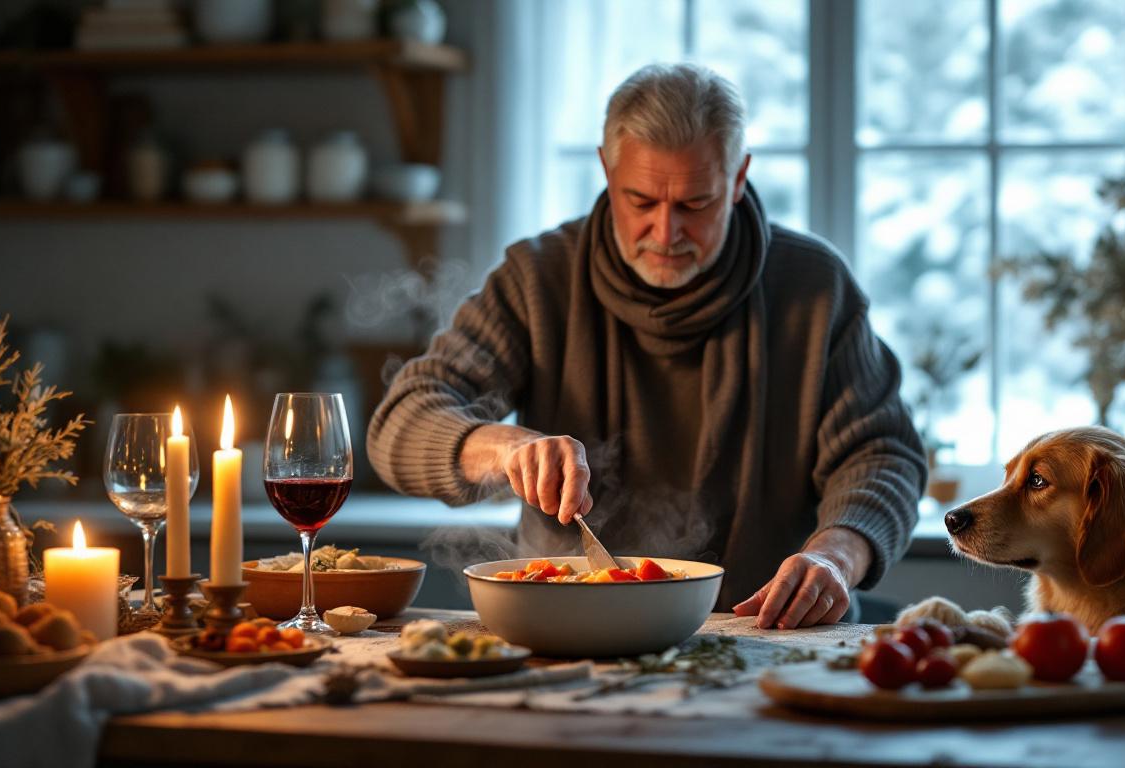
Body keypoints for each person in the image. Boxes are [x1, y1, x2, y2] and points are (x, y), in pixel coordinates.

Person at [368, 63, 925, 629]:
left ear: (737, 179)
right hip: (569, 630)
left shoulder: (814, 287)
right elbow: (401, 422)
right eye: (640, 201)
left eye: (695, 204)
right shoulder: (537, 278)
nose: (665, 233)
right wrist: (504, 449)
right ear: (607, 171)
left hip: (772, 632)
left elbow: (883, 456)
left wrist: (835, 555)